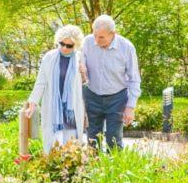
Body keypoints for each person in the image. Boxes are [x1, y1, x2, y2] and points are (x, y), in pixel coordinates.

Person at [81, 14, 141, 150]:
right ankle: (93, 168)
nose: (96, 40)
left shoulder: (127, 47)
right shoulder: (87, 42)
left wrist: (130, 107)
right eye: (94, 35)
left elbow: (134, 79)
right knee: (92, 139)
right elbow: (80, 66)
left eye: (101, 37)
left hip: (117, 98)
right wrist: (81, 69)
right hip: (92, 95)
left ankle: (112, 170)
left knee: (113, 139)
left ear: (113, 33)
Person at [26, 25, 85, 154]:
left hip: (71, 110)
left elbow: (87, 84)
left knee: (71, 145)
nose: (64, 48)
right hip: (54, 107)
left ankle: (71, 171)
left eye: (69, 46)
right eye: (62, 44)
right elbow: (41, 82)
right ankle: (52, 169)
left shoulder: (80, 59)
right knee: (53, 144)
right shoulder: (49, 57)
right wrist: (32, 103)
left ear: (76, 45)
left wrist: (84, 73)